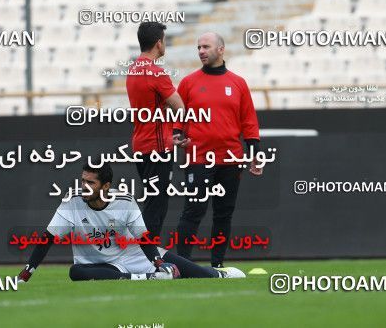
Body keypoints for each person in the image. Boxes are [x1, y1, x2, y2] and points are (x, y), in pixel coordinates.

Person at [17, 161, 245, 282]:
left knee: (198, 274)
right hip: (99, 265)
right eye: (83, 180)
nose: (84, 186)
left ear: (105, 186)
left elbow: (144, 239)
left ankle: (220, 274)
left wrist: (158, 263)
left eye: (91, 183)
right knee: (76, 272)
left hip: (134, 254)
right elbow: (47, 239)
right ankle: (147, 279)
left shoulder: (125, 201)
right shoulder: (72, 202)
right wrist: (27, 273)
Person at [173, 32, 263, 268]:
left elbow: (249, 121)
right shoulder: (188, 82)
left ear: (221, 50)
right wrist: (176, 135)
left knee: (224, 213)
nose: (201, 51)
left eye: (206, 46)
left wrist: (254, 153)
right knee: (193, 211)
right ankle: (182, 264)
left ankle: (217, 265)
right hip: (198, 158)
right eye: (198, 47)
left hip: (230, 159)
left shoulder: (238, 83)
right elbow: (177, 118)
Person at [125, 22, 189, 240]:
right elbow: (180, 107)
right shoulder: (156, 72)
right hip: (157, 147)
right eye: (164, 40)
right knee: (157, 206)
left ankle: (145, 255)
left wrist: (169, 136)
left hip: (141, 145)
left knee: (152, 201)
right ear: (158, 43)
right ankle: (146, 257)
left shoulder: (133, 70)